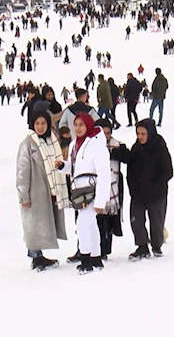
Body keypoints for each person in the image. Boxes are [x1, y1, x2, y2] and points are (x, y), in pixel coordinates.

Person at [55, 113, 111, 274]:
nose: (78, 128)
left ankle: (85, 260)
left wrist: (101, 201)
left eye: (81, 124)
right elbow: (76, 169)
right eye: (76, 124)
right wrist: (63, 166)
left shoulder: (97, 146)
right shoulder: (74, 145)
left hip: (92, 191)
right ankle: (96, 257)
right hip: (79, 192)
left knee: (82, 225)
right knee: (91, 225)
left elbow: (104, 174)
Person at [110, 118, 173, 260]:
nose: (140, 137)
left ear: (150, 133)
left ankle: (157, 245)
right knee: (136, 219)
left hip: (156, 194)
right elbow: (131, 159)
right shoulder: (137, 147)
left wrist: (155, 185)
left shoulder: (160, 147)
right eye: (138, 133)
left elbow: (168, 171)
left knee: (156, 222)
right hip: (138, 193)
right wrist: (117, 153)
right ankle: (142, 246)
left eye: (143, 134)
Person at [16, 112, 68, 271]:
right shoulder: (27, 144)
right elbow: (22, 173)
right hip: (35, 192)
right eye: (37, 123)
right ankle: (35, 257)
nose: (40, 127)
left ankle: (39, 256)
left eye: (43, 123)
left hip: (49, 190)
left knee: (42, 223)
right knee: (34, 225)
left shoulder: (52, 141)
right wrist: (24, 196)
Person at [94, 118, 125, 259]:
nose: (105, 135)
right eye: (102, 132)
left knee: (109, 221)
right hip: (94, 189)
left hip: (112, 191)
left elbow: (127, 156)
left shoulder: (117, 146)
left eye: (107, 132)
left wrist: (116, 153)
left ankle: (105, 250)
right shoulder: (90, 147)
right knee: (94, 222)